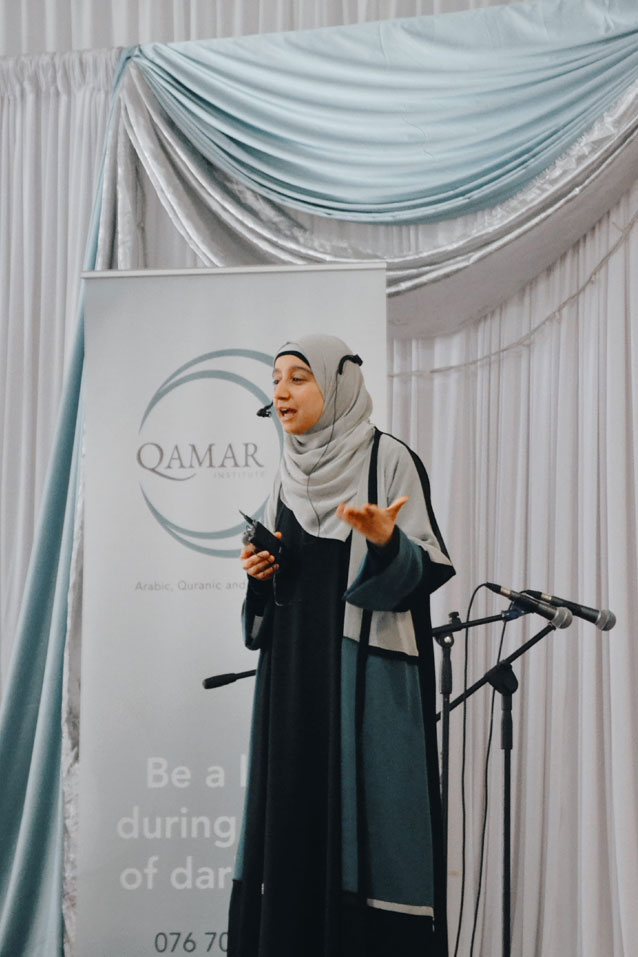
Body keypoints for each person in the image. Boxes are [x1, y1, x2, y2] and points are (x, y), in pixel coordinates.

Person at [228, 334, 455, 957]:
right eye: (276, 380)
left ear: (338, 384)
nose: (281, 392)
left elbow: (427, 567)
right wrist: (259, 576)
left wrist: (387, 542)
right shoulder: (286, 471)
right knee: (292, 832)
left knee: (371, 832)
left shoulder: (389, 459)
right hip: (292, 686)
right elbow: (271, 602)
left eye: (298, 377)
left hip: (364, 684)